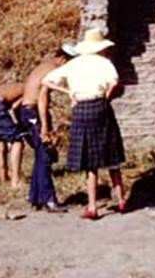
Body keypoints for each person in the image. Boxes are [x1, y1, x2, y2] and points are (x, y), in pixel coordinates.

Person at [43, 28, 127, 220]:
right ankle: (121, 200)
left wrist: (68, 92)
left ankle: (92, 207)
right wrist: (106, 95)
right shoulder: (104, 62)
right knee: (112, 156)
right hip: (100, 105)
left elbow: (47, 81)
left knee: (90, 162)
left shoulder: (74, 64)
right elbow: (114, 81)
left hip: (81, 108)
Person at [18, 43, 78, 212]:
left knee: (40, 155)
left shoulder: (44, 66)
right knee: (45, 155)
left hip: (28, 112)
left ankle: (35, 197)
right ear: (62, 59)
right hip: (33, 113)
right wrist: (44, 126)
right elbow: (42, 98)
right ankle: (48, 199)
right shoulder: (51, 71)